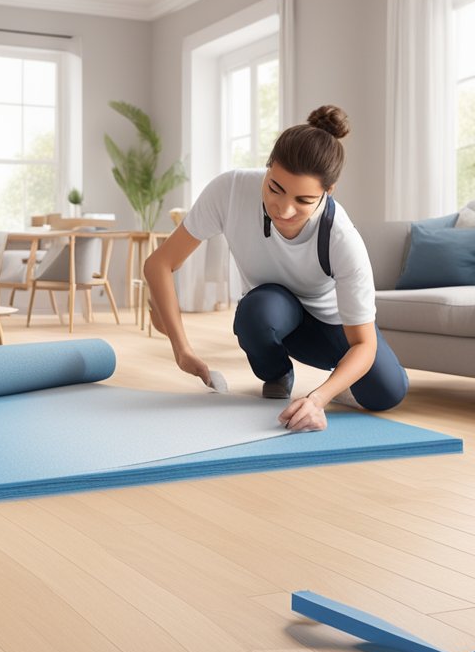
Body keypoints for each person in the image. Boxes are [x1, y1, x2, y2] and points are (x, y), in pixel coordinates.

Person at [143, 104, 408, 432]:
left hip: (331, 328)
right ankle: (277, 373)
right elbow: (159, 264)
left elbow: (364, 345)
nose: (284, 209)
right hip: (275, 315)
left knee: (388, 392)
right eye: (275, 188)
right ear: (268, 167)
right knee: (258, 313)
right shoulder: (231, 191)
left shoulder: (342, 238)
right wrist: (182, 350)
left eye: (303, 201)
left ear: (327, 192)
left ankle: (337, 385)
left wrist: (318, 399)